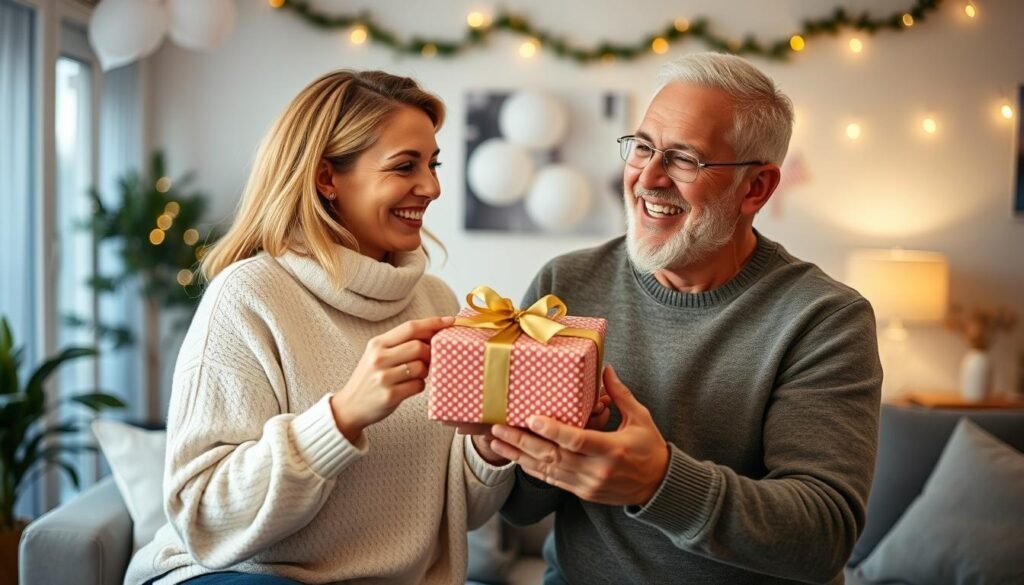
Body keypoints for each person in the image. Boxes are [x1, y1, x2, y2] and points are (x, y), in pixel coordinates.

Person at [488, 52, 883, 585]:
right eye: (643, 147)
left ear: (757, 188)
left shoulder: (824, 318)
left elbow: (823, 537)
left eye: (685, 159)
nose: (648, 178)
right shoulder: (565, 287)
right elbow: (520, 508)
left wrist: (657, 482)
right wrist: (517, 446)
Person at [126, 70, 514, 585]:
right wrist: (342, 417)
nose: (432, 187)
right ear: (327, 178)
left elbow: (447, 512)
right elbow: (202, 516)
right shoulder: (248, 295)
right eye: (405, 166)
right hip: (240, 575)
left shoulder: (434, 300)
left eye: (433, 164)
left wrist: (486, 448)